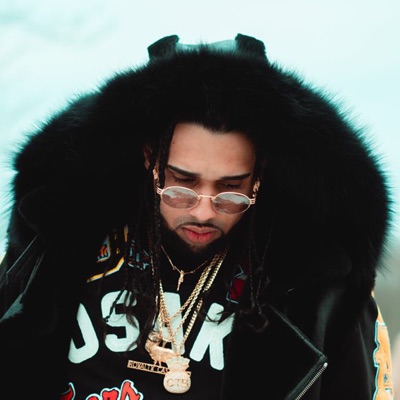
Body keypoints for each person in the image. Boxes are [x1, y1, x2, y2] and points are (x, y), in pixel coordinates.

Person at [0, 33, 394, 400]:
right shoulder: (58, 246)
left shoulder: (316, 289)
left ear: (260, 173)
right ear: (150, 158)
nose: (204, 211)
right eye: (182, 183)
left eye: (231, 188)